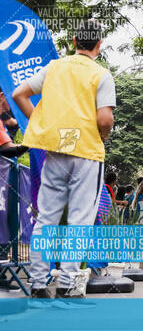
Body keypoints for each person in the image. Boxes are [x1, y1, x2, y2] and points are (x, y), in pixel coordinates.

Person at [12, 20, 115, 299]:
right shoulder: (101, 75)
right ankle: (68, 284)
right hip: (86, 152)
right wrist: (103, 136)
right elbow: (105, 118)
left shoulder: (54, 67)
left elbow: (18, 94)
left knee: (46, 218)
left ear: (73, 41)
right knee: (80, 220)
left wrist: (41, 124)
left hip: (56, 149)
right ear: (99, 45)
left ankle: (37, 283)